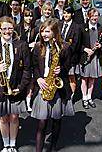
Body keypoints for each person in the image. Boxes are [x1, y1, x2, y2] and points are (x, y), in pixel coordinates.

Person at [0, 16, 31, 152]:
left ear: (13, 29)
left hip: (15, 88)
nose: (7, 31)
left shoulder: (21, 45)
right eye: (4, 28)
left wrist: (21, 87)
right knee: (4, 118)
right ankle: (6, 145)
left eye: (10, 28)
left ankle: (13, 144)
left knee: (15, 117)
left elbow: (27, 69)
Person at [31, 19, 74, 152]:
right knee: (42, 123)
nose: (44, 34)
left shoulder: (65, 47)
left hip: (58, 87)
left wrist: (61, 69)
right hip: (44, 85)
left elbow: (68, 65)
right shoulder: (38, 47)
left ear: (55, 32)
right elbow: (34, 66)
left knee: (56, 120)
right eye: (42, 31)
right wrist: (38, 79)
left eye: (47, 31)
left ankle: (53, 147)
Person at [79, 8, 102, 109]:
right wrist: (86, 49)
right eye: (93, 15)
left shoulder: (101, 28)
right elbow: (78, 43)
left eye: (96, 15)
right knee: (84, 79)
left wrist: (100, 46)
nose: (95, 17)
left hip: (95, 58)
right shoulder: (82, 27)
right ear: (88, 16)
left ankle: (89, 97)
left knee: (92, 79)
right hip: (86, 56)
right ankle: (84, 98)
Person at [58, 5, 81, 98]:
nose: (66, 15)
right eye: (64, 13)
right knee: (61, 76)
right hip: (59, 57)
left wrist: (65, 52)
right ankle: (62, 95)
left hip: (70, 57)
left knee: (71, 77)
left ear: (72, 14)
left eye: (68, 13)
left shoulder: (76, 27)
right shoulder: (59, 24)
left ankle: (71, 97)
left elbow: (76, 44)